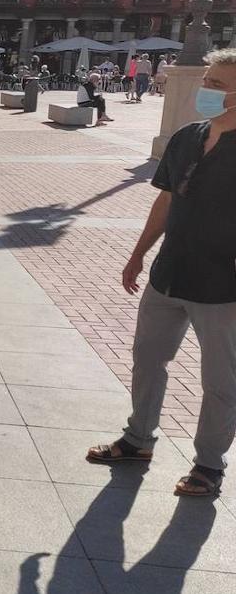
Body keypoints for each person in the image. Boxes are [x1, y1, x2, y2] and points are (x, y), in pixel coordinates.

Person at [87, 48, 236, 499]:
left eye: (216, 84)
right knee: (148, 361)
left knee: (220, 380)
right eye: (206, 80)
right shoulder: (187, 137)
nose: (205, 90)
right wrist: (138, 254)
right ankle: (138, 440)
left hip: (222, 286)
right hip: (168, 273)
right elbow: (166, 200)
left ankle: (209, 465)